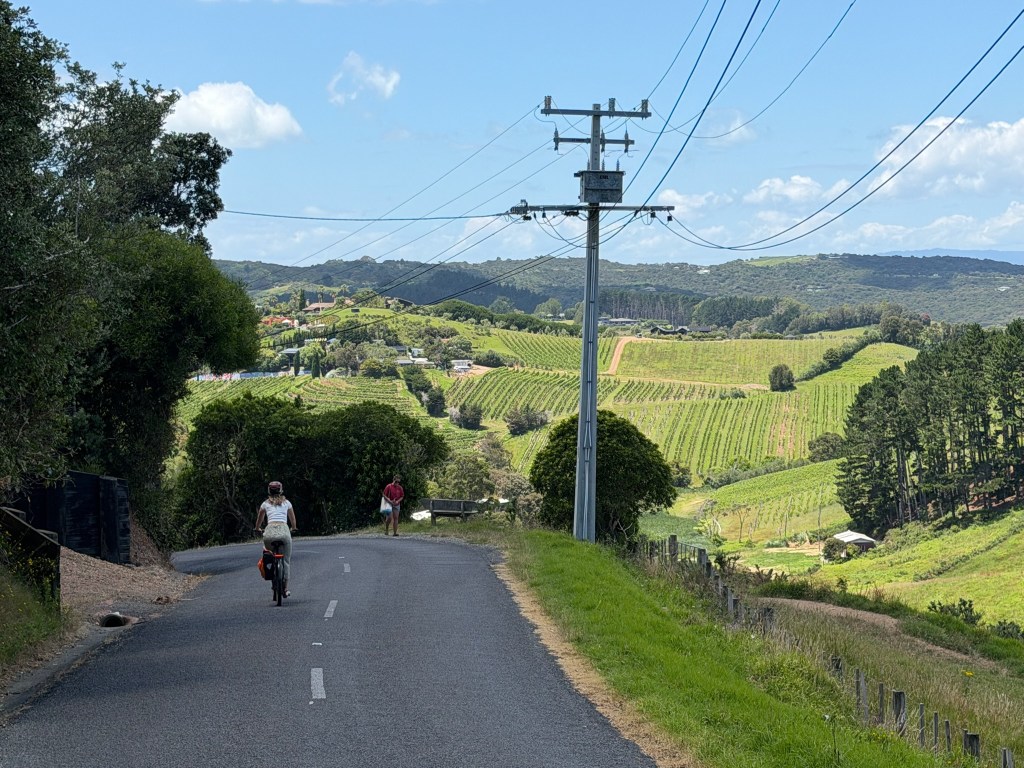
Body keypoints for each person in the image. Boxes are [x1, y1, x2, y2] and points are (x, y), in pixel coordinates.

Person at [255, 480, 297, 598]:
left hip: (269, 533)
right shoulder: (287, 503)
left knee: (267, 551)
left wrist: (257, 528)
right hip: (284, 532)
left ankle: (272, 574)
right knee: (286, 560)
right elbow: (293, 521)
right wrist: (293, 528)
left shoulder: (265, 504)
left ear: (269, 491)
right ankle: (285, 588)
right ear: (281, 490)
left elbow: (259, 520)